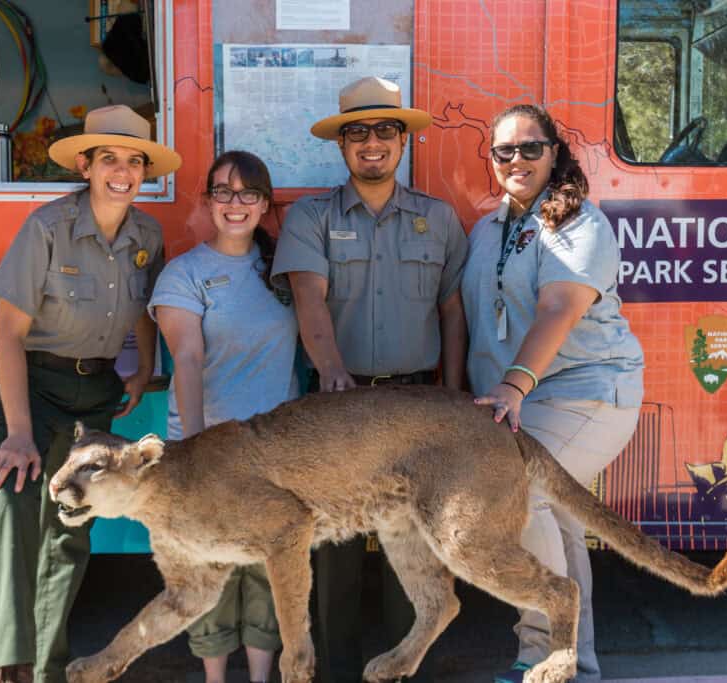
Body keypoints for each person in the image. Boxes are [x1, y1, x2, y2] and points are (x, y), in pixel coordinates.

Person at [271, 75, 468, 683]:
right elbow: (309, 297)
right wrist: (332, 375)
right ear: (342, 145)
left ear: (404, 140)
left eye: (386, 130)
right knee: (335, 552)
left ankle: (403, 670)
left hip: (415, 403)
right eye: (358, 132)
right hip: (340, 407)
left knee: (414, 546)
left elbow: (453, 311)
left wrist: (454, 396)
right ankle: (335, 671)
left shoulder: (438, 219)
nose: (373, 142)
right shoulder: (311, 217)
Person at [0, 104, 181, 683]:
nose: (123, 171)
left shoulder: (147, 233)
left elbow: (143, 304)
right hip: (26, 382)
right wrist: (17, 434)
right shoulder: (47, 227)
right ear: (86, 166)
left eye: (135, 160)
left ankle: (48, 669)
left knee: (70, 527)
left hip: (93, 387)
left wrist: (142, 365)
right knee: (14, 508)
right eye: (110, 159)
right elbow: (8, 336)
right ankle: (9, 666)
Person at [463, 104, 644, 683]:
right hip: (522, 403)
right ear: (491, 161)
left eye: (530, 148)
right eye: (503, 151)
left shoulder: (580, 223)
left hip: (588, 392)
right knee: (560, 527)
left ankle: (539, 651)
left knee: (522, 495)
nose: (516, 160)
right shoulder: (486, 229)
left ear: (554, 154)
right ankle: (575, 667)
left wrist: (513, 385)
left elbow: (560, 308)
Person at [148, 150, 295, 683]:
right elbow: (186, 358)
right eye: (224, 192)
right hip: (204, 446)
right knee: (208, 572)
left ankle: (259, 677)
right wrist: (195, 445)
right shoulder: (184, 273)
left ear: (264, 204)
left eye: (249, 193)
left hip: (274, 454)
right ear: (207, 201)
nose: (236, 204)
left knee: (266, 570)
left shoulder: (282, 270)